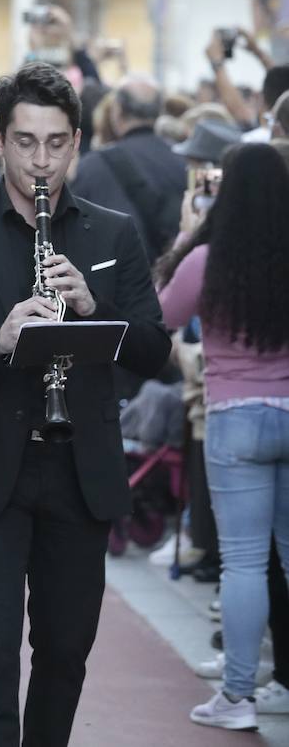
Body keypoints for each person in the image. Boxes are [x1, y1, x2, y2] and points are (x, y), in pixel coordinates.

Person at [0, 62, 171, 745]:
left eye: (56, 143)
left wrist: (93, 307)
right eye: (26, 141)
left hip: (78, 473)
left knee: (64, 655)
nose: (41, 159)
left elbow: (154, 349)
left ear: (78, 144)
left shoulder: (113, 235)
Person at [154, 141, 289, 731]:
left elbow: (162, 318)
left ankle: (237, 696)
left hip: (234, 416)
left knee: (242, 564)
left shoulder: (207, 259)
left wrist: (187, 233)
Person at [69, 74, 186, 262]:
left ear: (117, 111)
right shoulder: (182, 161)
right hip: (172, 280)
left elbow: (73, 232)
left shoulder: (93, 166)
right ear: (158, 113)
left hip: (115, 282)